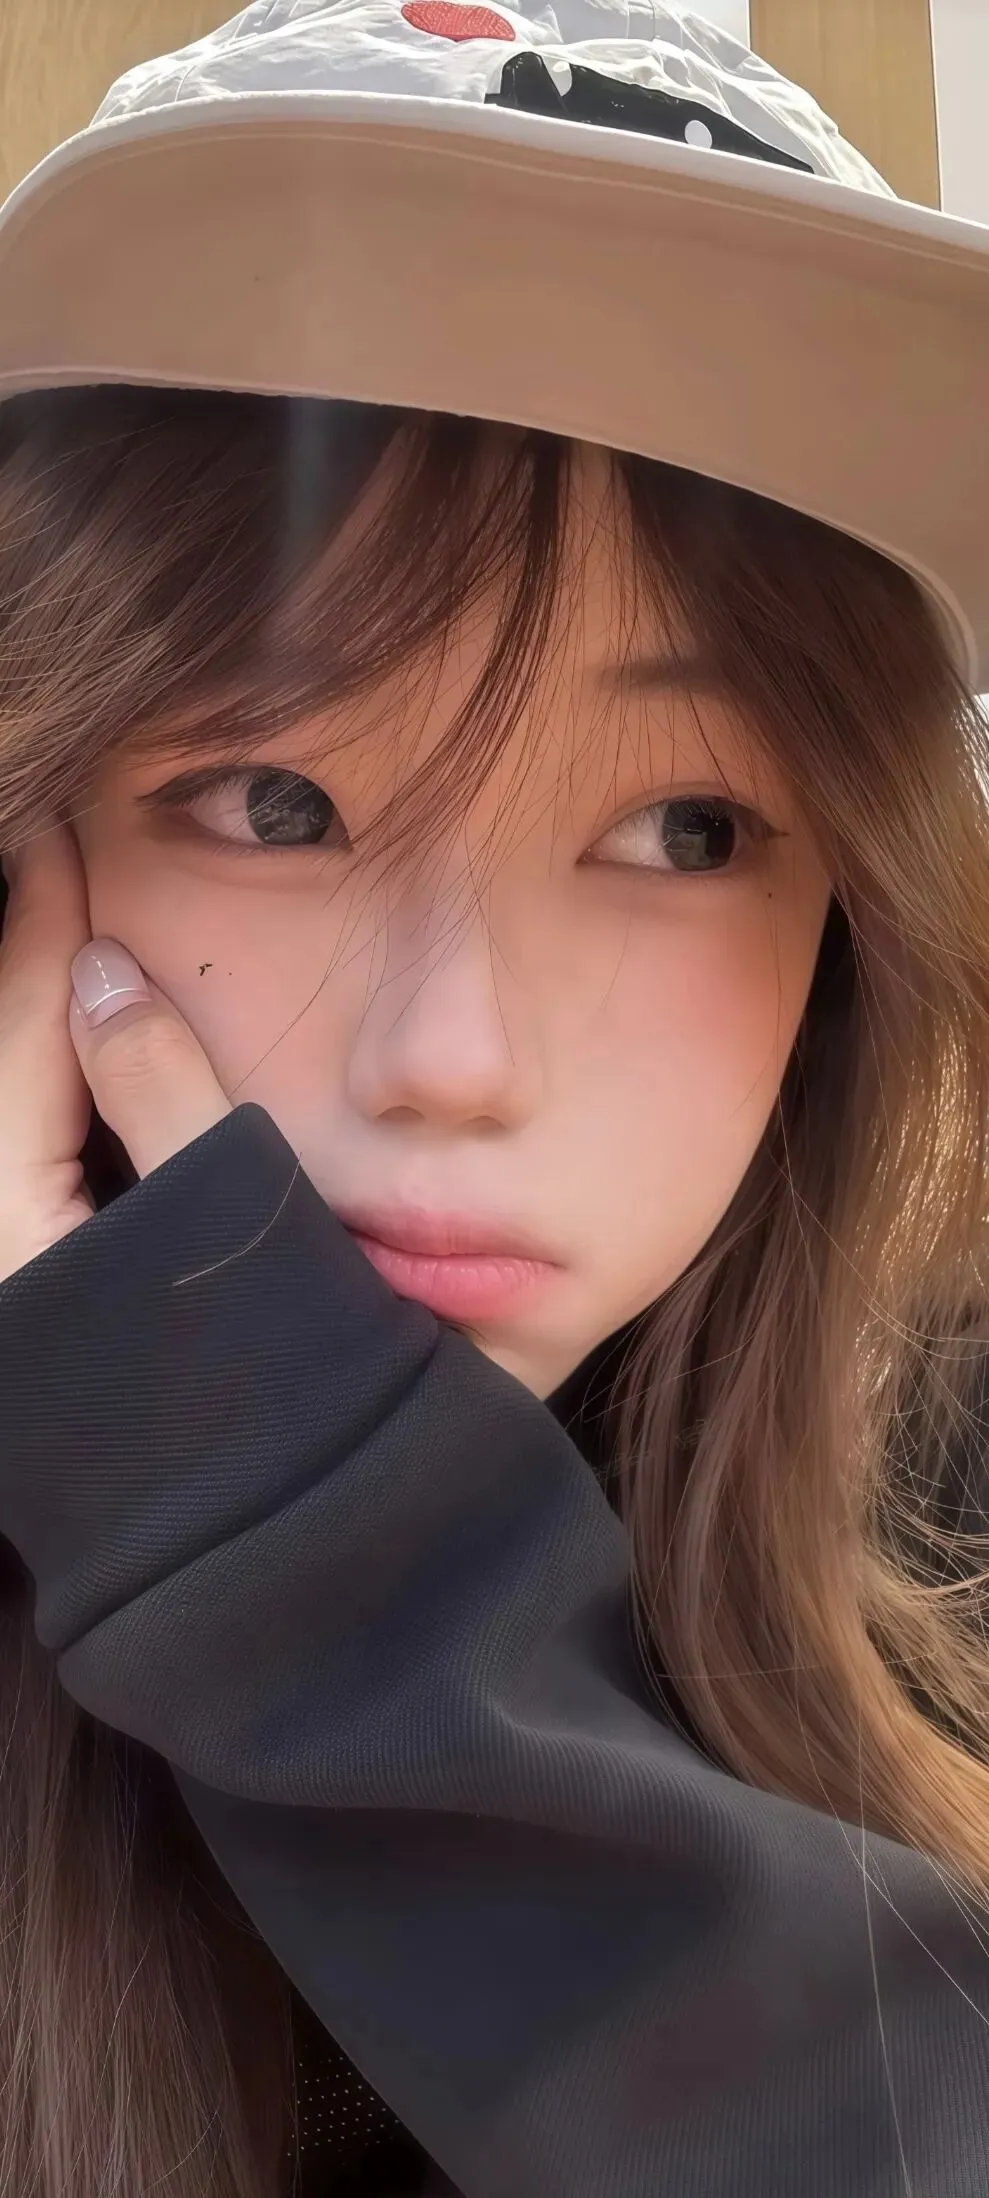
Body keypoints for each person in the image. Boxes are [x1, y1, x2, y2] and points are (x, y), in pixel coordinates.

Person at [0, 3, 988, 2193]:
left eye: (687, 830)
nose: (453, 1056)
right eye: (275, 798)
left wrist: (335, 1612)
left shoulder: (962, 1536)